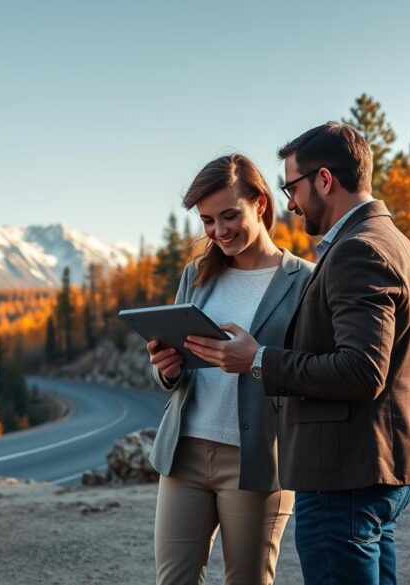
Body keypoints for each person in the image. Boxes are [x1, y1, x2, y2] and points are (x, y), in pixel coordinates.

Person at [184, 123, 410, 585]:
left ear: (323, 180)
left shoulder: (358, 251)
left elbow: (361, 370)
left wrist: (258, 359)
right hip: (380, 469)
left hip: (345, 473)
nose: (291, 203)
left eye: (292, 187)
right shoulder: (391, 240)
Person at [147, 153, 314, 584]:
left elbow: (311, 371)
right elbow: (178, 371)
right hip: (183, 452)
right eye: (206, 221)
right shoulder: (196, 275)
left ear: (260, 203)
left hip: (258, 459)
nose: (219, 232)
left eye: (229, 216)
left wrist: (255, 359)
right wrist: (166, 369)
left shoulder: (305, 282)